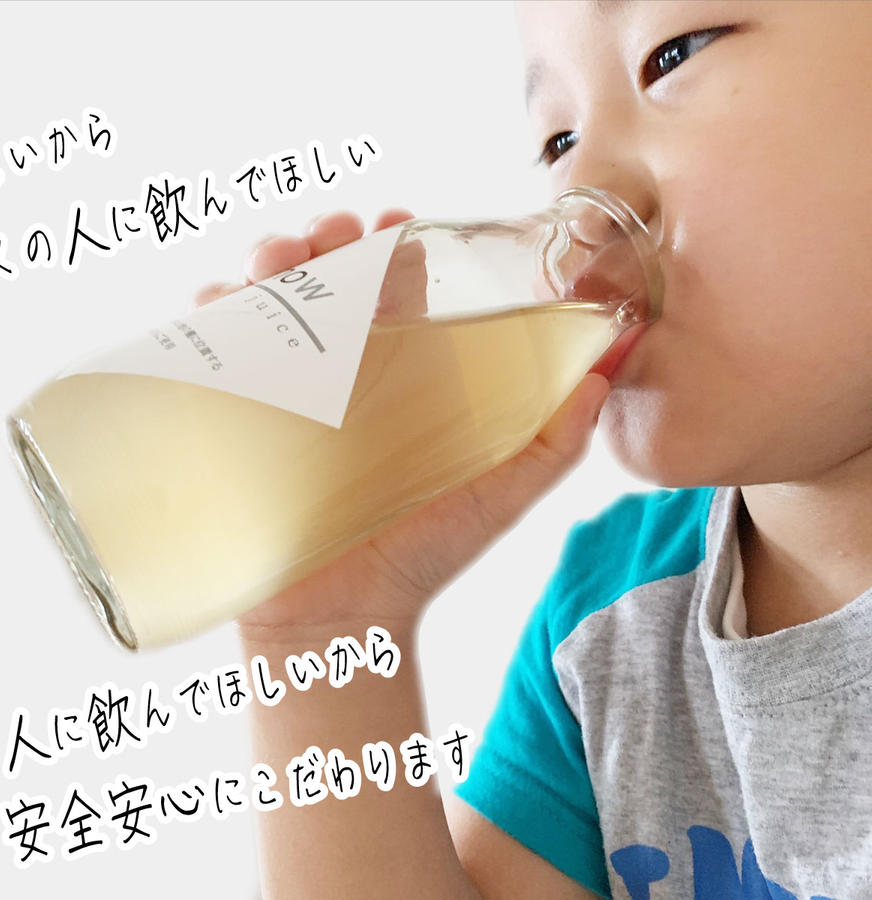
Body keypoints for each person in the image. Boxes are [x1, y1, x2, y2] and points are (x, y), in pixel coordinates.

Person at [193, 2, 872, 897]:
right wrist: (325, 635)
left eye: (672, 54)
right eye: (558, 140)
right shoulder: (608, 629)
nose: (582, 200)